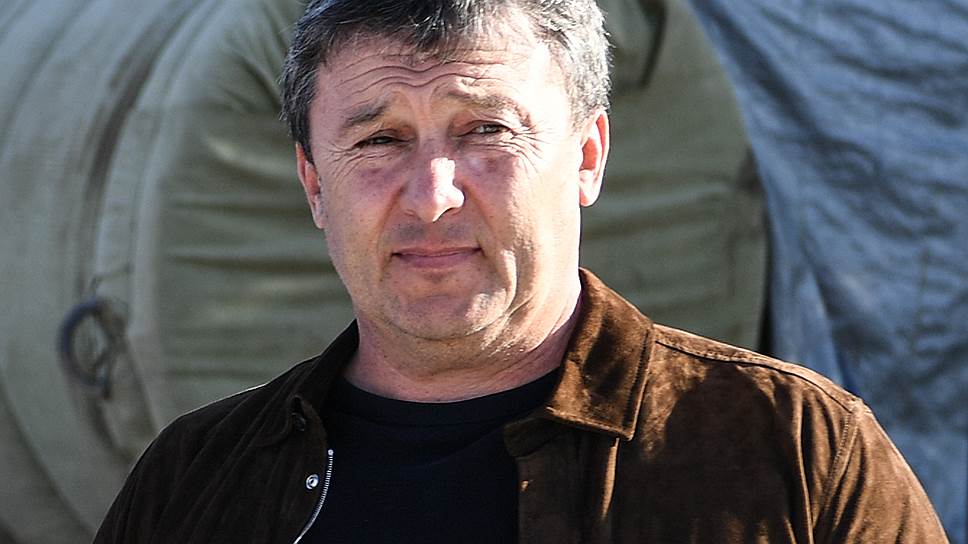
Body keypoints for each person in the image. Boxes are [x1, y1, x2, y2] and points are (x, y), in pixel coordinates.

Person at [94, 0, 948, 542]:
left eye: (486, 131)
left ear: (588, 155)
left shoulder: (795, 454)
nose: (432, 196)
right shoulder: (198, 481)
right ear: (315, 184)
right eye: (380, 140)